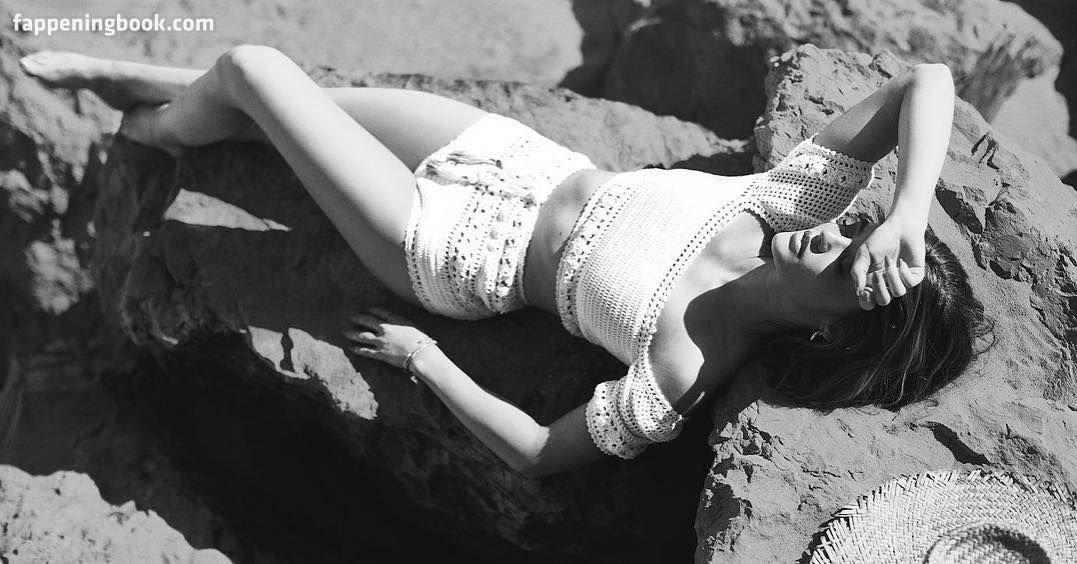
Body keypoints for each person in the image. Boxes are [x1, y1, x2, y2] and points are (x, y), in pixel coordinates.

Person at [20, 46, 988, 477]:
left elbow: (539, 453)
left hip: (450, 248)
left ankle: (154, 128)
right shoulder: (790, 205)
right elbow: (925, 81)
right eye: (858, 233)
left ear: (826, 333)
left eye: (845, 267)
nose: (833, 237)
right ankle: (145, 83)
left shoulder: (690, 367)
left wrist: (427, 362)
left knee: (256, 72)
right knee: (298, 100)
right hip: (512, 157)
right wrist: (906, 209)